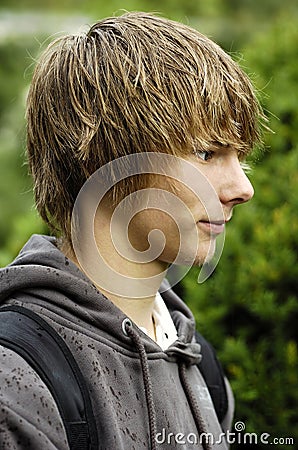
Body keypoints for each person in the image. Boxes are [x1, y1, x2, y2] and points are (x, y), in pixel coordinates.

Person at [0, 11, 264, 450]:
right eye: (204, 153)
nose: (243, 188)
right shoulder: (17, 380)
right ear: (102, 159)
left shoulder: (201, 369)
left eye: (240, 157)